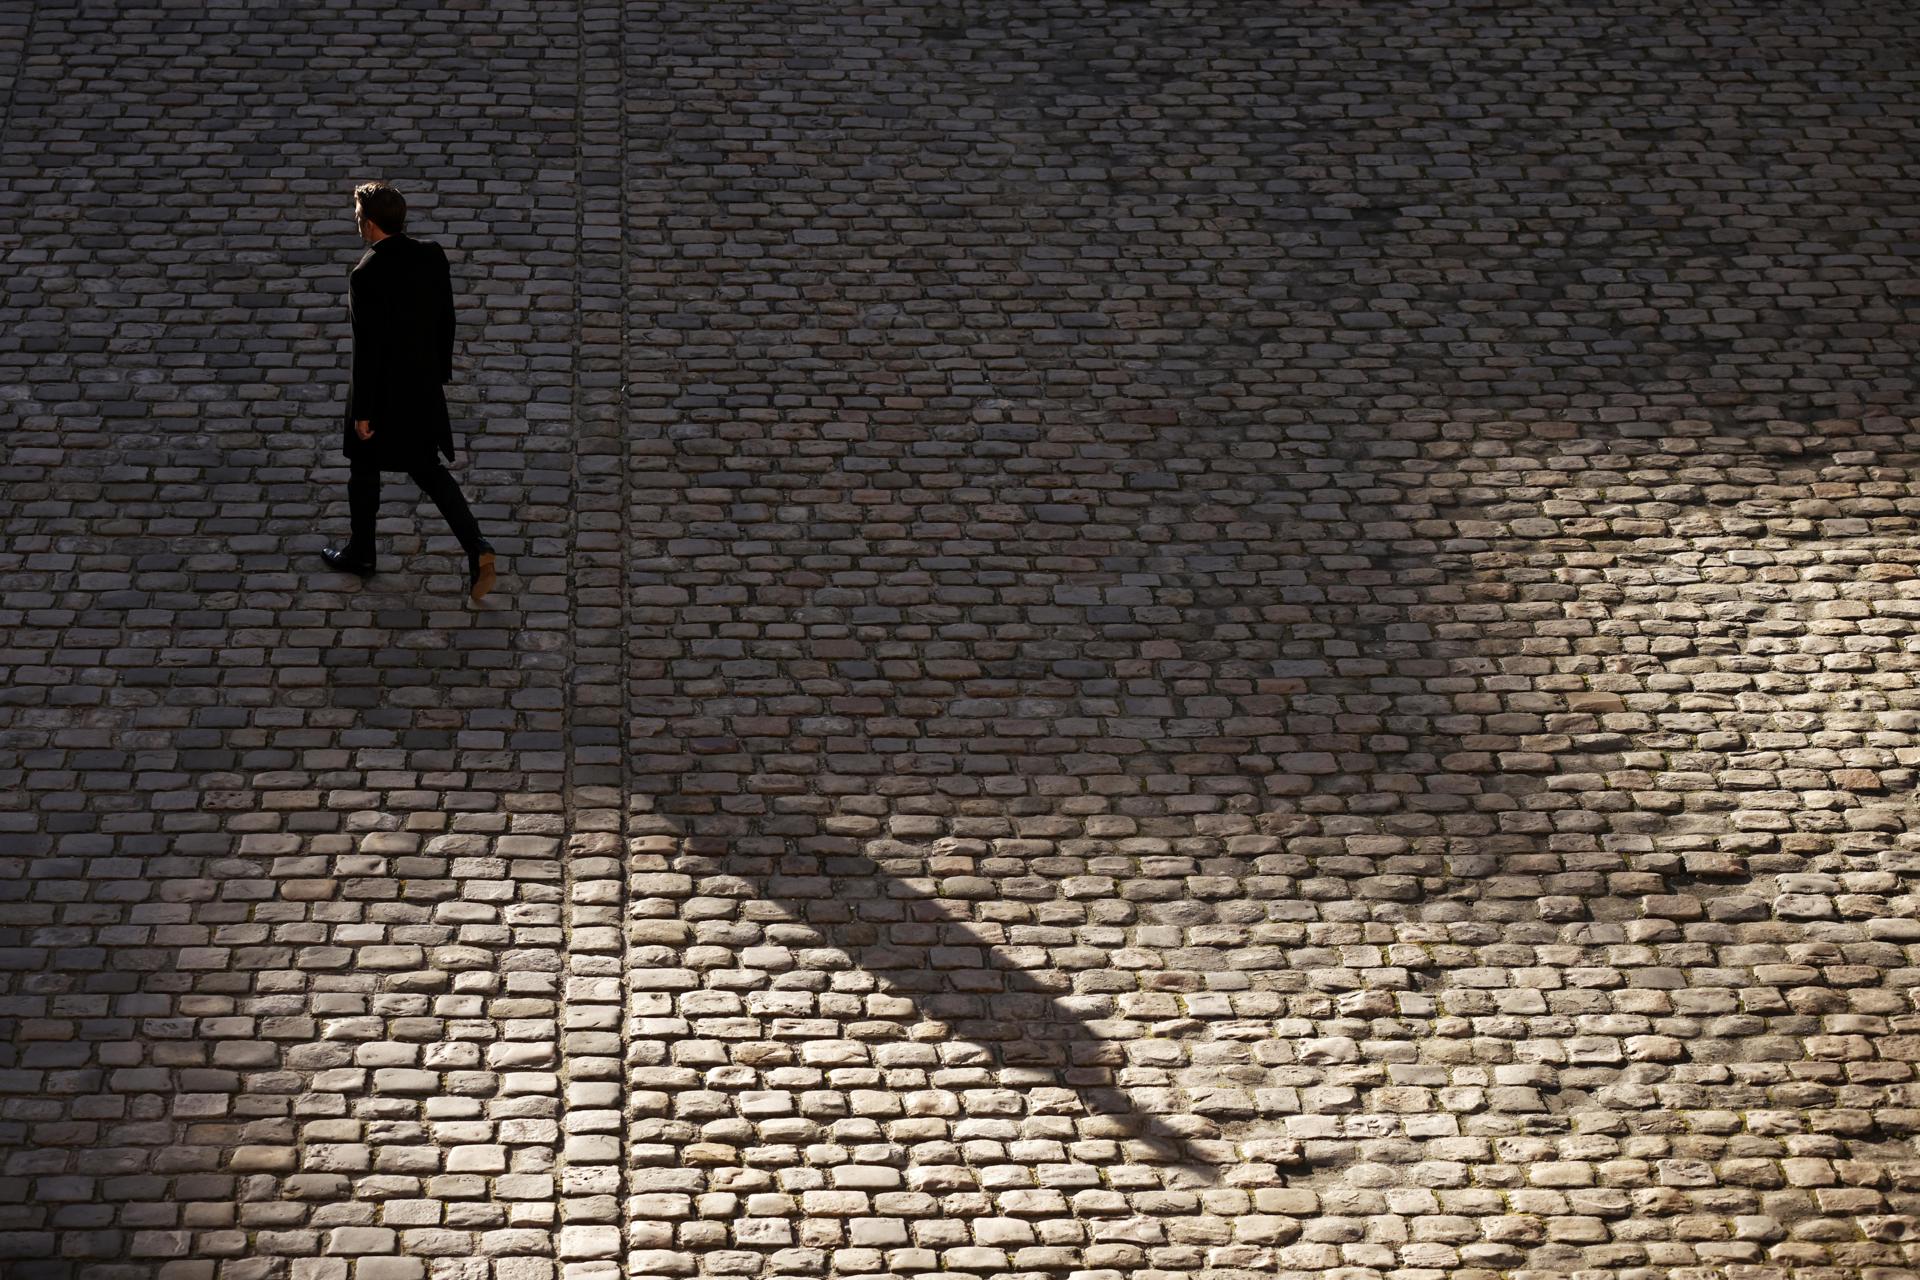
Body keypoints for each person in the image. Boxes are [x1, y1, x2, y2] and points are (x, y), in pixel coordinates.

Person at [321, 181, 497, 601]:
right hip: (420, 387)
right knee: (429, 471)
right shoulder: (431, 254)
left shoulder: (365, 274)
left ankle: (362, 552)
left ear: (368, 223)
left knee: (363, 469)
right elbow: (446, 318)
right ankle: (477, 546)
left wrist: (363, 410)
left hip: (382, 394)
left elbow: (367, 349)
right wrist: (436, 372)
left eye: (358, 214)